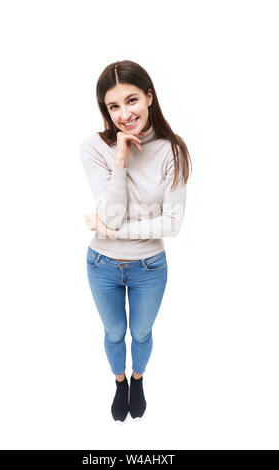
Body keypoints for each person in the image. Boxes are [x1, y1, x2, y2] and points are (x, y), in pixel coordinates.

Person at [80, 60, 192, 424]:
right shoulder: (95, 148)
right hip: (102, 265)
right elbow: (112, 214)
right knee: (114, 332)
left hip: (149, 266)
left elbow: (172, 224)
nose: (125, 114)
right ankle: (119, 381)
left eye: (131, 100)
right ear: (105, 110)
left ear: (149, 96)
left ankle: (138, 379)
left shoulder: (172, 150)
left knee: (141, 332)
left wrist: (112, 229)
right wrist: (121, 158)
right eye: (113, 106)